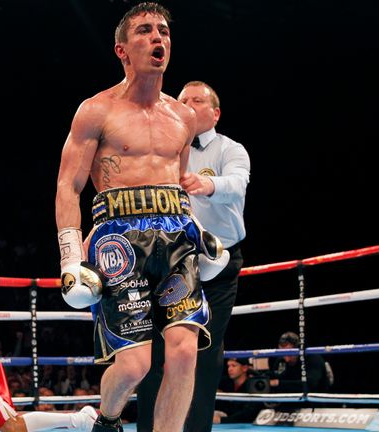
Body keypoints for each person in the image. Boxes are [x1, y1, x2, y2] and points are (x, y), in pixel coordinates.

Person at [54, 3, 227, 431]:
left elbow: (175, 184)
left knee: (185, 352)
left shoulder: (183, 118)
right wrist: (71, 259)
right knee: (133, 366)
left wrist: (200, 230)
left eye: (164, 31)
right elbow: (68, 186)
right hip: (118, 241)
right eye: (145, 31)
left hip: (175, 238)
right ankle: (108, 418)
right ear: (122, 50)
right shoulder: (96, 110)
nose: (158, 39)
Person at [137, 80, 250, 432]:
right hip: (167, 262)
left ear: (214, 112)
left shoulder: (231, 149)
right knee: (154, 353)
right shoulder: (163, 146)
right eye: (181, 99)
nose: (186, 104)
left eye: (196, 100)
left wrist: (208, 185)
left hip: (218, 265)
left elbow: (237, 182)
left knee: (204, 356)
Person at [215, 358, 264, 424]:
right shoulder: (226, 383)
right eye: (228, 366)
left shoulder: (253, 386)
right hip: (229, 424)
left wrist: (222, 420)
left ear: (244, 368)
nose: (230, 369)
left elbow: (249, 414)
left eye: (234, 366)